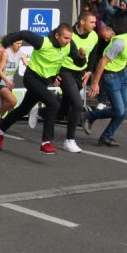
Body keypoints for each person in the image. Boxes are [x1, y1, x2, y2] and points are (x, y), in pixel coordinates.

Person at [0, 23, 83, 154]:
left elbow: (78, 62)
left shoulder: (69, 45)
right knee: (53, 104)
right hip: (31, 78)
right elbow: (23, 33)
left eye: (70, 38)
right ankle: (46, 142)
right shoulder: (42, 42)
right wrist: (4, 45)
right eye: (66, 38)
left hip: (44, 81)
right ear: (57, 35)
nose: (68, 41)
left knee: (23, 109)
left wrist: (82, 58)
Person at [85, 18, 127, 147]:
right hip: (110, 76)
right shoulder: (121, 43)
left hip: (124, 75)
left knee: (126, 110)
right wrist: (95, 83)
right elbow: (103, 61)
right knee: (119, 110)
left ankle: (106, 136)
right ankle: (90, 115)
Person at [55, 11, 99, 153]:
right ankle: (69, 140)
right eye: (92, 22)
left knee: (63, 109)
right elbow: (56, 52)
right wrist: (54, 73)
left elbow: (93, 55)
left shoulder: (94, 36)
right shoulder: (69, 34)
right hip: (65, 70)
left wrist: (89, 71)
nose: (95, 25)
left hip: (81, 73)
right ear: (82, 22)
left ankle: (38, 111)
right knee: (78, 104)